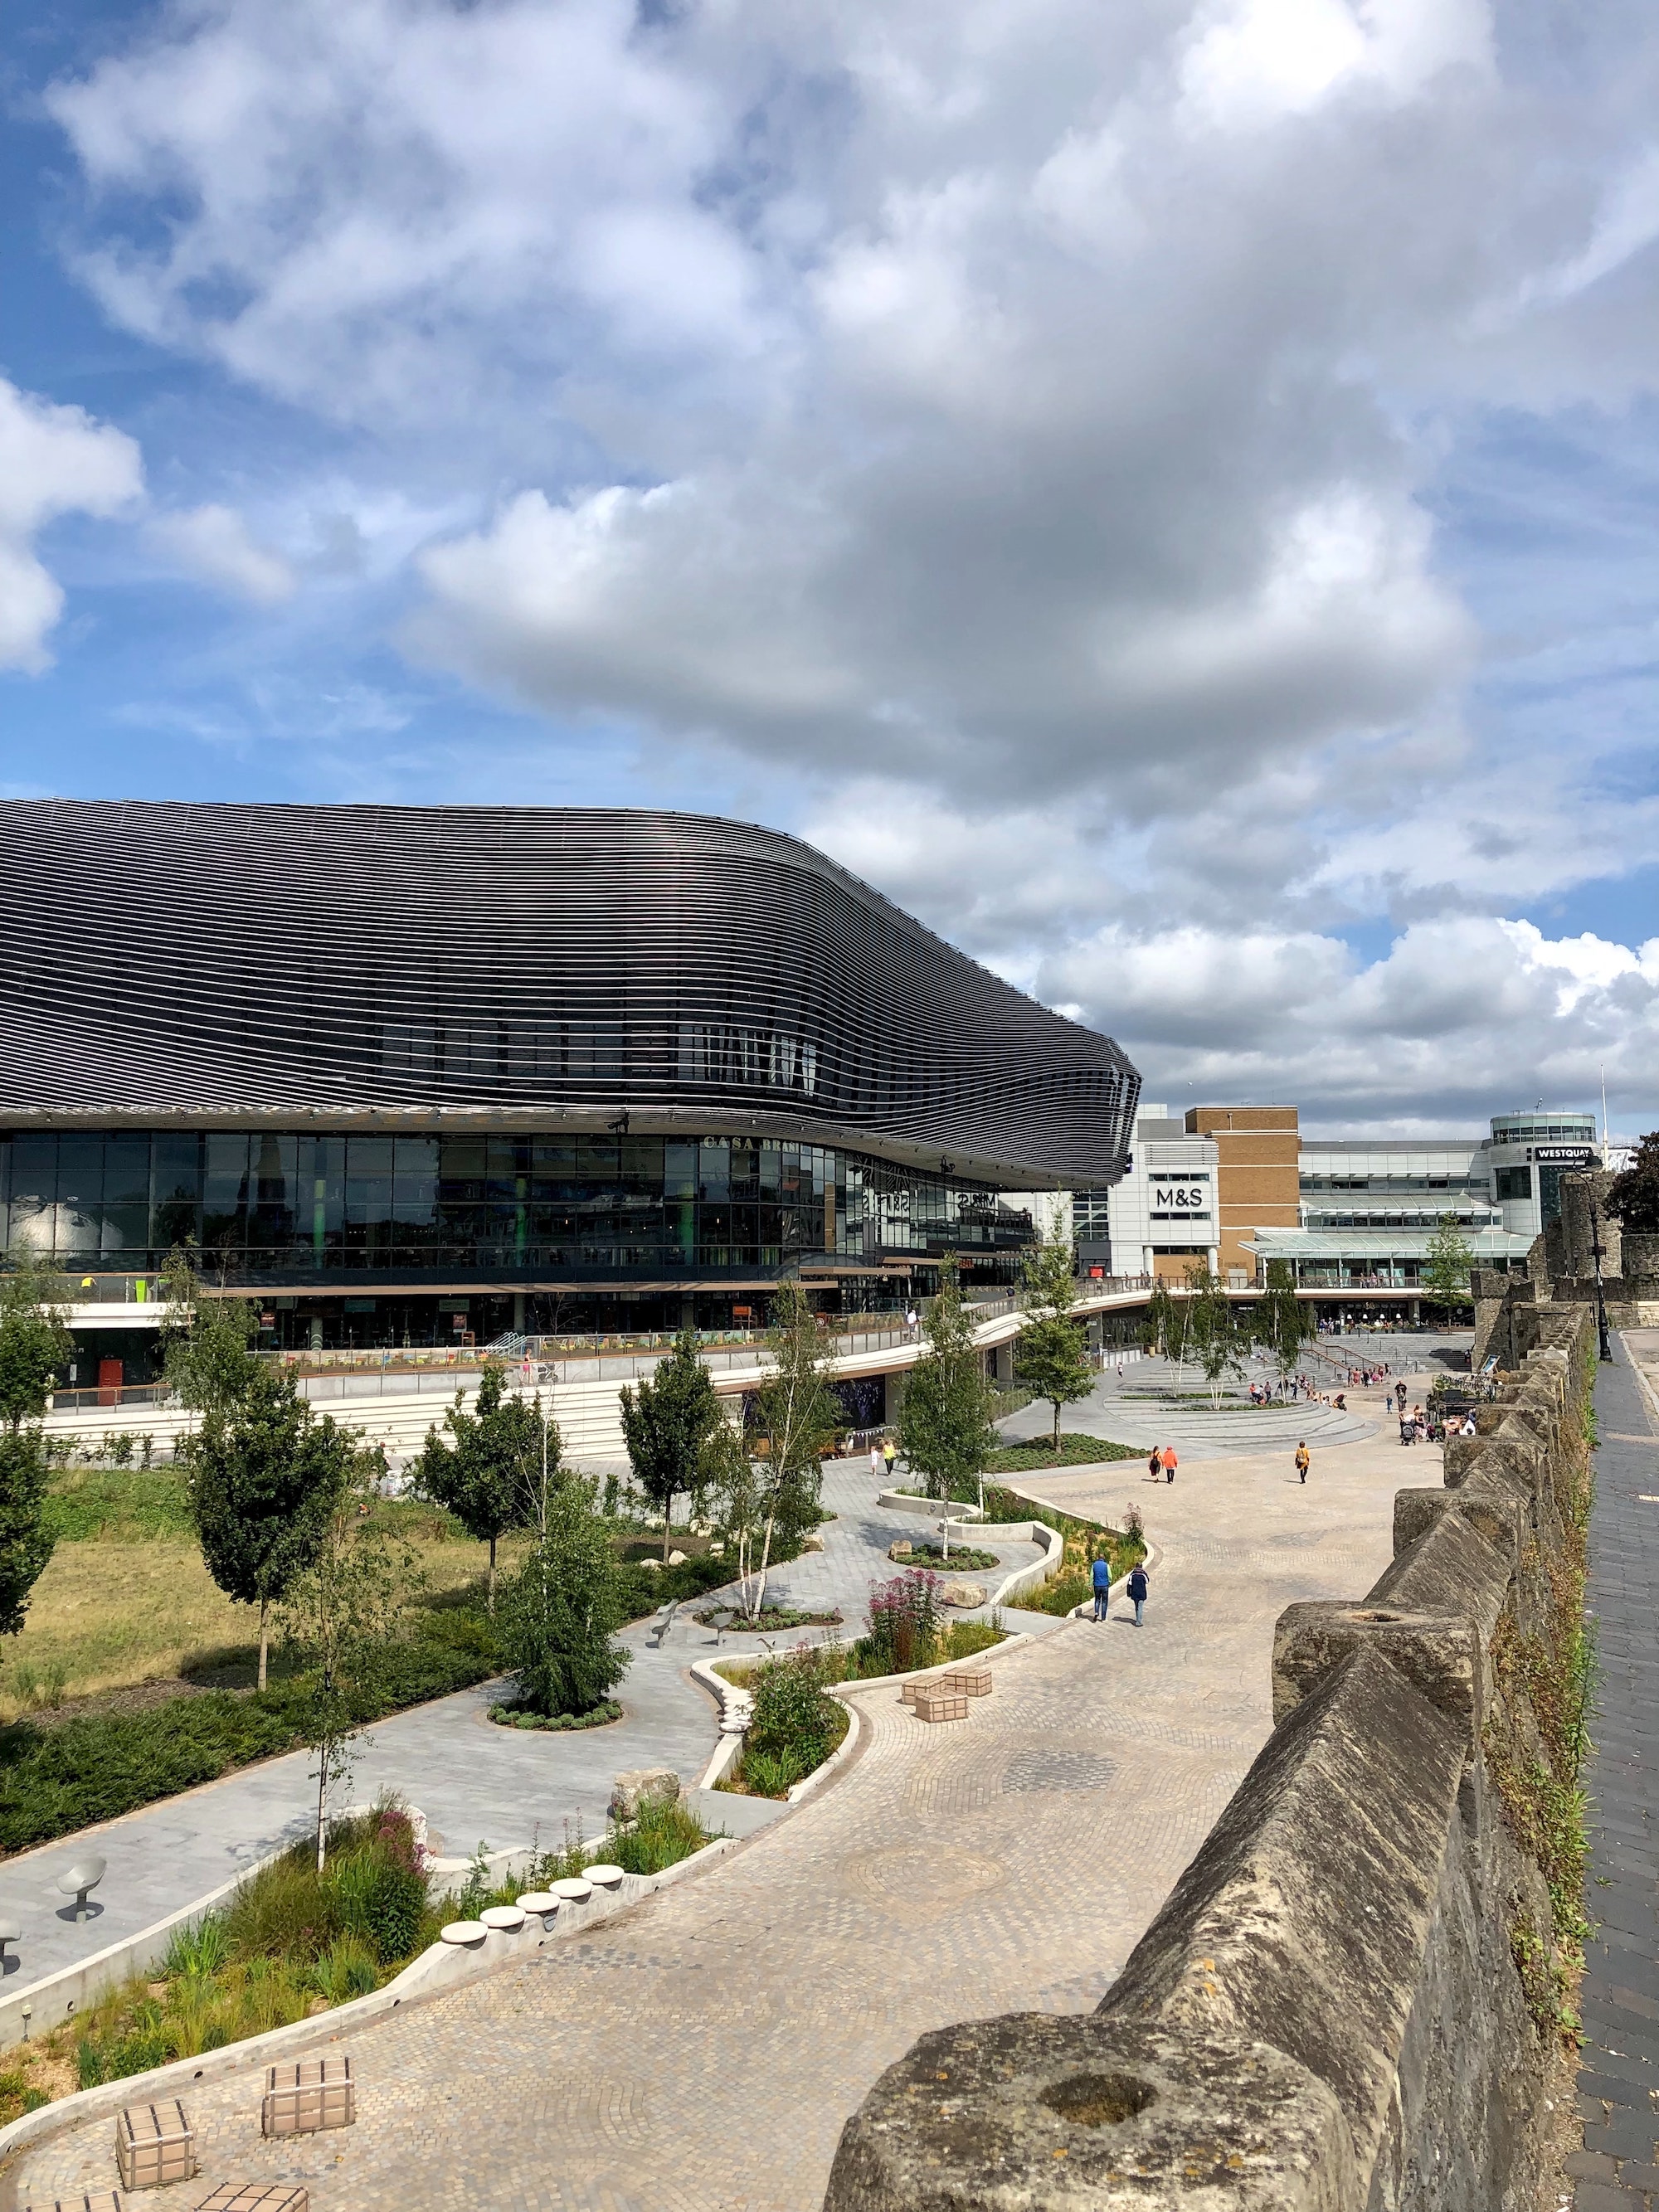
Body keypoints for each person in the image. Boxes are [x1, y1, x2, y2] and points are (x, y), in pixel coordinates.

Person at [1127, 1559, 1149, 1626]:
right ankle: (1138, 1621)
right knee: (1140, 1607)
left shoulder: (1132, 1575)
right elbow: (1147, 1581)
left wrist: (1128, 1593)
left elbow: (1129, 1585)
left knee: (1137, 1606)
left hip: (1134, 1593)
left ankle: (1138, 1619)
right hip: (1142, 1593)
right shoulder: (1143, 1574)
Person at [1091, 1550, 1112, 1621]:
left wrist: (1090, 1584)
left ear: (1098, 1558)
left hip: (1097, 1585)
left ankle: (1096, 1612)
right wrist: (1109, 1581)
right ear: (1104, 1558)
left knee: (1097, 1599)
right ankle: (1103, 1618)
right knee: (1104, 1601)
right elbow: (1110, 1576)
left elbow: (1091, 1576)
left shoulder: (1094, 1565)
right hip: (1105, 1585)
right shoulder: (1106, 1565)